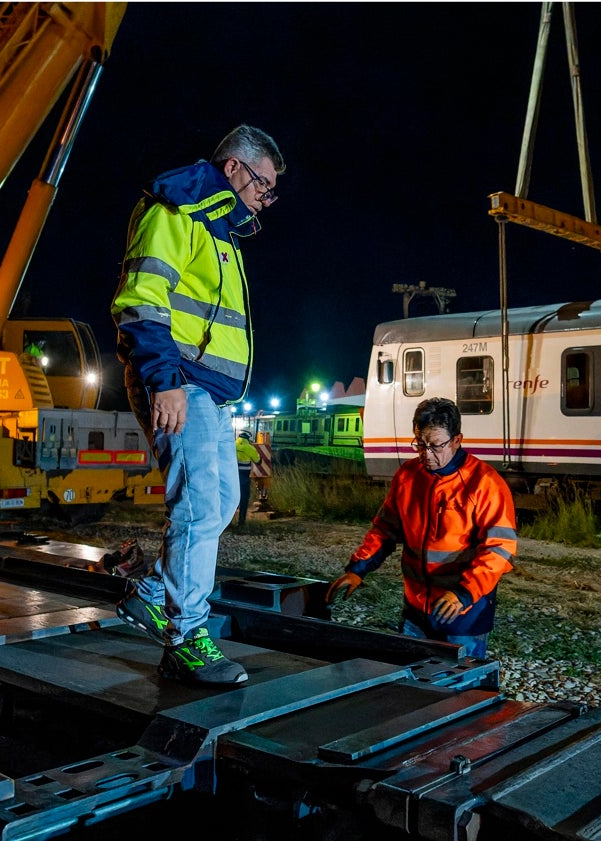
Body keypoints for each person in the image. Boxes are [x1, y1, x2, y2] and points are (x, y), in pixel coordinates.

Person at [110, 124, 286, 686]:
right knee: (198, 508)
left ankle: (151, 593)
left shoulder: (218, 230)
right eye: (263, 183)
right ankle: (185, 639)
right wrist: (163, 380)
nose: (266, 197)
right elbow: (141, 298)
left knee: (222, 503)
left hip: (206, 389)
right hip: (178, 381)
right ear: (233, 168)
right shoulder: (176, 211)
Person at [326, 396, 517, 658]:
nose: (426, 454)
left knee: (460, 691)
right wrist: (358, 569)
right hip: (415, 609)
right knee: (411, 687)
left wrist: (463, 593)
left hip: (464, 614)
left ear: (457, 440)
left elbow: (498, 550)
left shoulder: (485, 483)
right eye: (420, 444)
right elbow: (385, 529)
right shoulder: (407, 476)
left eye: (436, 445)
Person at [235, 430, 261, 526]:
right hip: (244, 477)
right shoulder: (249, 448)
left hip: (232, 477)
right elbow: (258, 461)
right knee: (244, 498)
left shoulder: (232, 445)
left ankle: (227, 522)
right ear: (248, 439)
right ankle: (241, 522)